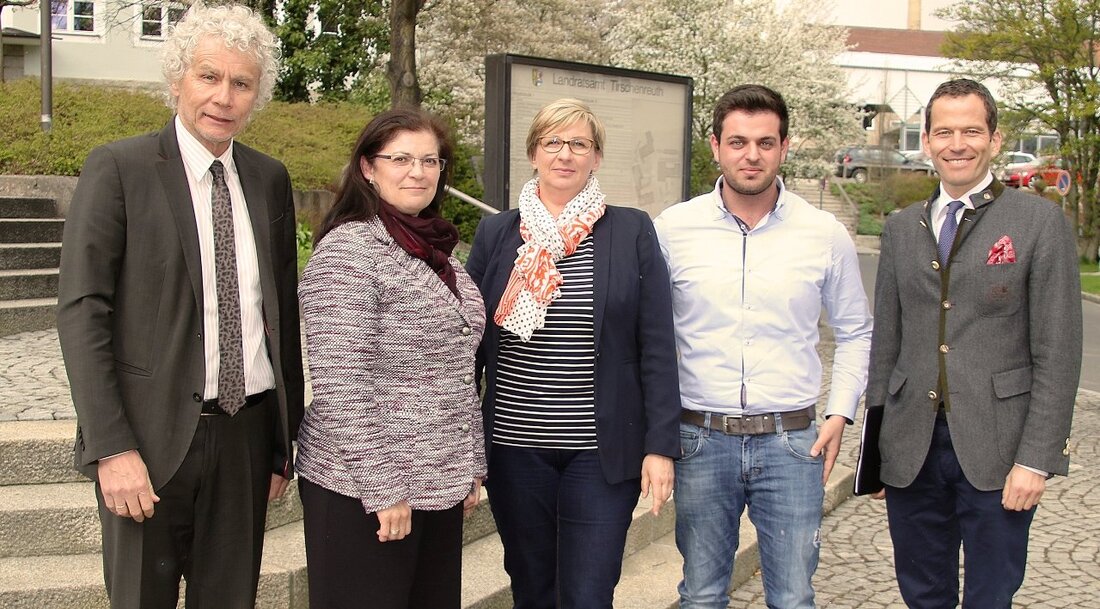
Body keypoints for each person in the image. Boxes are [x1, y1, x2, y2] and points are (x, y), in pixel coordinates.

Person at [56, 4, 303, 608]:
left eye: (241, 83)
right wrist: (111, 448)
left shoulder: (270, 179)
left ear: (257, 95)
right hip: (148, 441)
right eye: (209, 76)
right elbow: (82, 310)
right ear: (177, 80)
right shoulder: (119, 168)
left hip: (244, 440)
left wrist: (279, 445)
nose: (224, 96)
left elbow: (281, 317)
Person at [654, 84, 873, 609]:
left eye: (765, 142)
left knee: (794, 597)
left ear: (785, 146)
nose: (751, 155)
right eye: (738, 141)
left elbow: (856, 331)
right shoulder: (672, 229)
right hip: (700, 440)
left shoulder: (824, 233)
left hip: (793, 442)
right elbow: (649, 338)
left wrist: (840, 413)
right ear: (715, 145)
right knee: (702, 594)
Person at [867, 78, 1082, 608]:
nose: (956, 144)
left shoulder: (1038, 223)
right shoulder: (900, 228)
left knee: (991, 595)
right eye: (943, 131)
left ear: (994, 137)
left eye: (970, 130)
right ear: (927, 139)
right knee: (922, 593)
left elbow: (1058, 352)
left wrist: (1036, 460)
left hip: (998, 448)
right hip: (912, 447)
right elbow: (886, 344)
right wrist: (874, 452)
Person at [466, 98, 680, 609]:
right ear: (534, 153)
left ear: (597, 157)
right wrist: (463, 446)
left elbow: (656, 344)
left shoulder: (630, 230)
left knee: (589, 592)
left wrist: (660, 446)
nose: (565, 154)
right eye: (553, 142)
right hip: (516, 448)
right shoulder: (498, 232)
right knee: (532, 589)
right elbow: (467, 344)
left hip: (600, 452)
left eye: (579, 144)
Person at [295, 108, 486, 609]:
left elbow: (457, 369)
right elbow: (341, 386)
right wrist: (383, 490)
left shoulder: (435, 248)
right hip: (364, 489)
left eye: (429, 160)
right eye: (400, 158)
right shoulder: (350, 252)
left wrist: (470, 467)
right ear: (367, 168)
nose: (417, 171)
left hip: (438, 482)